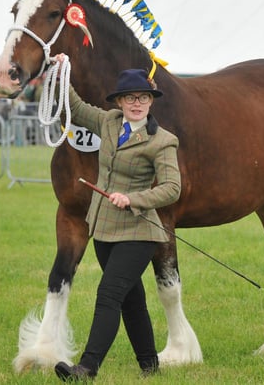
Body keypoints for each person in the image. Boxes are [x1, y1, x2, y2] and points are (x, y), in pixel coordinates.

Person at [53, 65, 181, 382]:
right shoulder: (109, 122)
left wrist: (134, 198)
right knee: (132, 301)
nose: (136, 103)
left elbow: (172, 188)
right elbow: (78, 109)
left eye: (142, 97)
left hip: (140, 232)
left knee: (109, 294)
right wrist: (60, 75)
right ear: (120, 102)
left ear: (150, 102)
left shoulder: (163, 141)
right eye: (129, 98)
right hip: (104, 229)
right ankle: (150, 365)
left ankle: (87, 368)